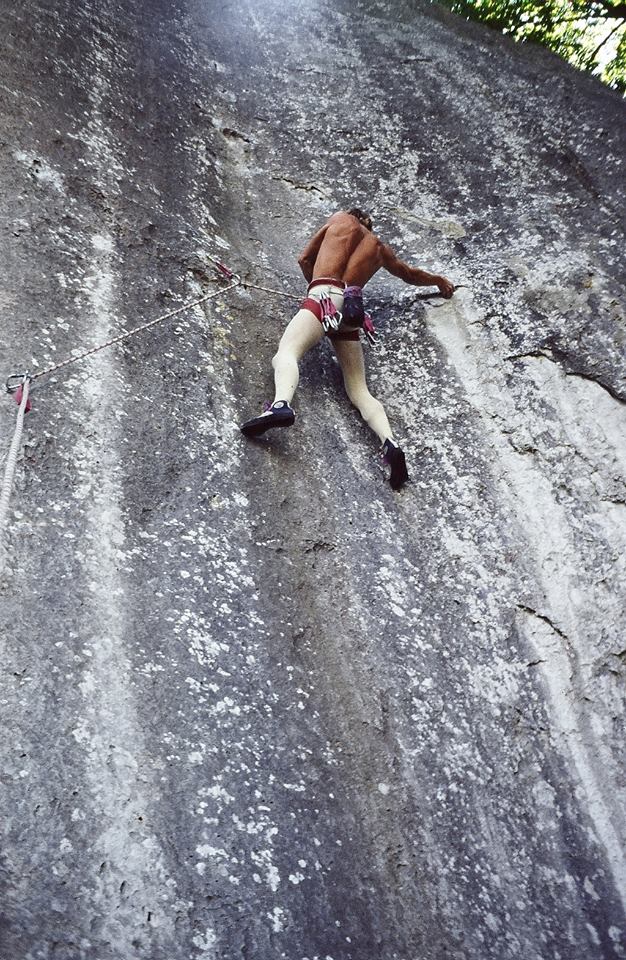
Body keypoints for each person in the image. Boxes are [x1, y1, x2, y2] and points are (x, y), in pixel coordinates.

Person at [240, 208, 454, 490]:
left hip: (323, 296)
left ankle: (280, 405)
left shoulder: (339, 221)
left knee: (286, 353)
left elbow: (304, 258)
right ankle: (390, 443)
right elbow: (409, 274)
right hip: (352, 312)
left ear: (353, 215)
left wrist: (315, 292)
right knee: (359, 390)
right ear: (369, 222)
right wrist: (439, 281)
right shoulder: (379, 247)